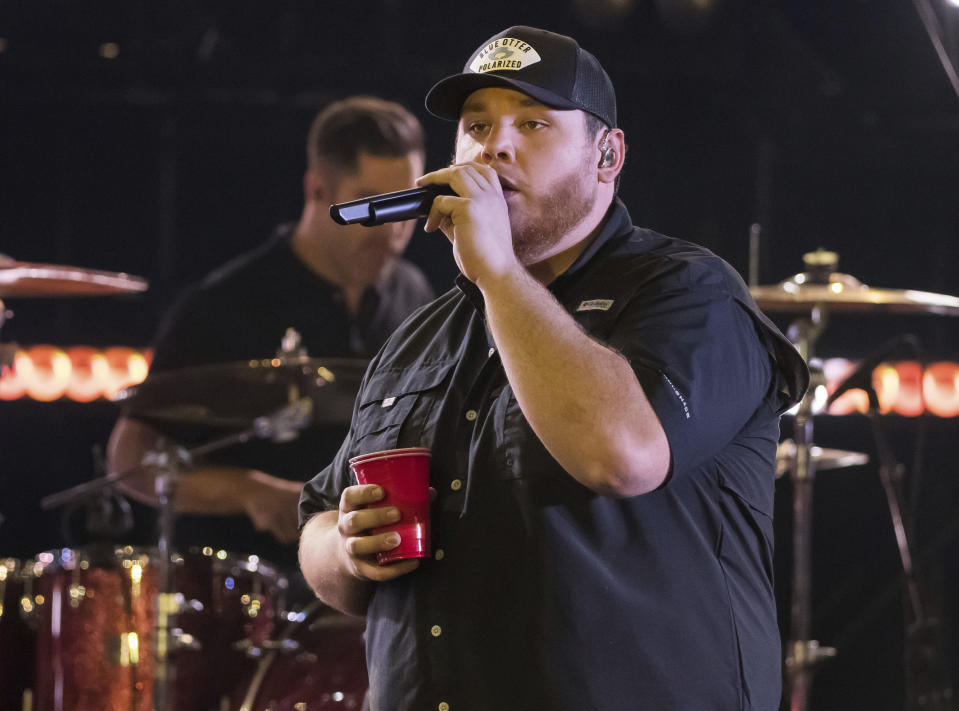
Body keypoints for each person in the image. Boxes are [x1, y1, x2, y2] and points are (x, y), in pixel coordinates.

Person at [298, 26, 808, 711]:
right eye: (475, 125)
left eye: (532, 122)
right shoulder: (419, 337)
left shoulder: (686, 293)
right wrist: (346, 550)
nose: (492, 145)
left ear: (607, 154)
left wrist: (498, 272)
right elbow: (320, 524)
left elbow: (621, 455)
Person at [107, 95, 435, 572]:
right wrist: (249, 491)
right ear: (317, 190)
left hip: (380, 586)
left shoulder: (416, 295)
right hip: (254, 591)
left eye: (404, 204)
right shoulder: (225, 305)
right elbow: (131, 459)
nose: (392, 230)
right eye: (371, 206)